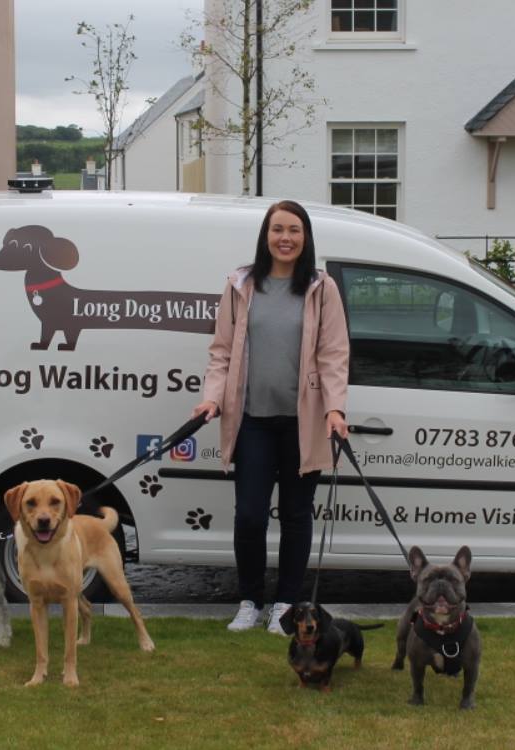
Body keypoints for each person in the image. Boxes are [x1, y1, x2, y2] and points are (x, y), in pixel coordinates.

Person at [192, 200, 350, 635]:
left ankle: (286, 606)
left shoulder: (322, 287)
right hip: (253, 421)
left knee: (297, 516)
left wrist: (335, 408)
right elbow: (221, 351)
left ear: (306, 237)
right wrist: (212, 399)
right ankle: (249, 601)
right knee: (250, 517)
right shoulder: (241, 284)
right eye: (278, 229)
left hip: (304, 422)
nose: (286, 238)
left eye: (294, 230)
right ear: (266, 235)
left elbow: (335, 354)